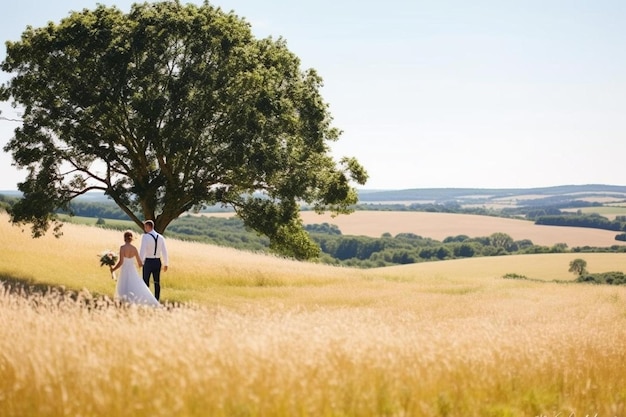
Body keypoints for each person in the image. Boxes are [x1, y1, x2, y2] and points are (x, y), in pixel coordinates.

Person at [110, 231, 160, 307]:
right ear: (131, 239)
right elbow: (140, 263)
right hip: (132, 269)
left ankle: (124, 302)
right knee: (134, 285)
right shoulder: (134, 249)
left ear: (124, 238)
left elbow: (121, 262)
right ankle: (133, 301)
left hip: (124, 270)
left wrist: (113, 269)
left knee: (123, 285)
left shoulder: (122, 248)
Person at [139, 219, 169, 301]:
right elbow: (164, 251)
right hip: (157, 261)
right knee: (156, 281)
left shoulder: (145, 237)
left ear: (148, 227)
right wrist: (166, 263)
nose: (145, 229)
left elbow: (142, 250)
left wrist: (140, 261)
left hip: (148, 261)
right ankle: (156, 298)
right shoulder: (161, 237)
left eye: (145, 227)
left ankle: (145, 298)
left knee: (145, 280)